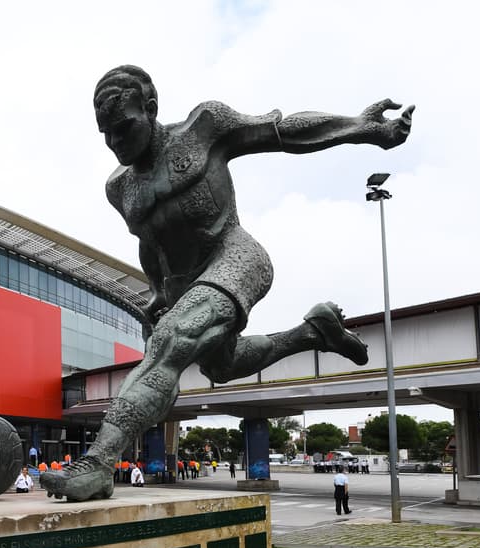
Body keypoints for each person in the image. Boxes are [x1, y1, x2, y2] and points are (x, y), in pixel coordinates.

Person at [42, 66, 411, 501]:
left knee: (171, 341)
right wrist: (158, 291)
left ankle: (99, 462)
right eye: (106, 134)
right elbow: (151, 241)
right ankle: (313, 332)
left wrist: (361, 127)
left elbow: (284, 131)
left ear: (151, 109)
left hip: (236, 257)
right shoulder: (120, 189)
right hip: (185, 282)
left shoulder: (205, 127)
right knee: (223, 366)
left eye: (123, 128)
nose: (115, 142)